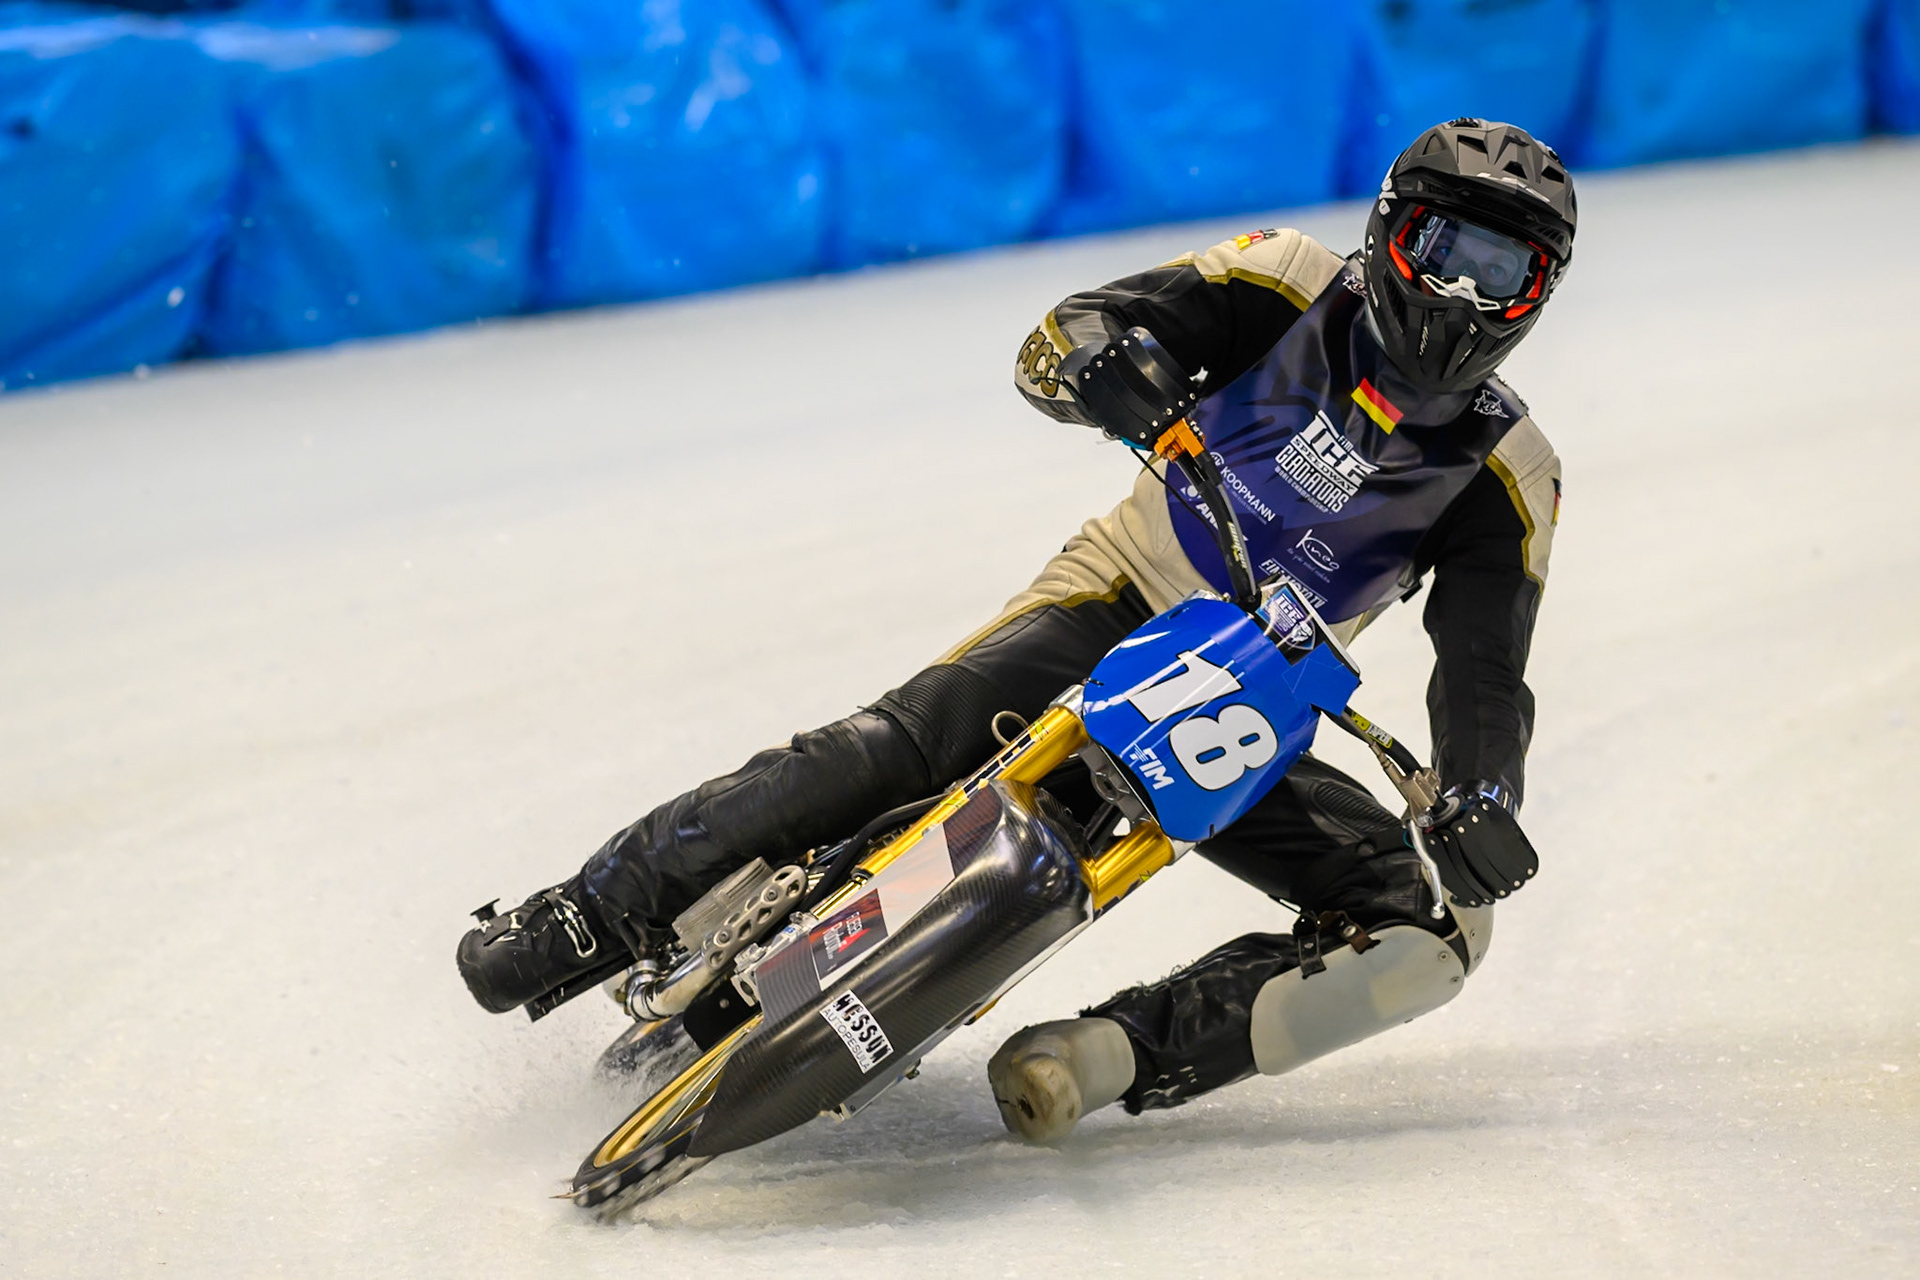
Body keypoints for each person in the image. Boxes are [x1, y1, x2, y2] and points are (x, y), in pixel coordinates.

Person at [456, 118, 1574, 1142]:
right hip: (1124, 592)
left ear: (1540, 297)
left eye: (1502, 275)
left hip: (1246, 705)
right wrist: (1109, 363)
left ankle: (1103, 1056)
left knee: (1431, 927)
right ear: (1389, 231)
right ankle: (591, 909)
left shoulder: (1511, 470)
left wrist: (1485, 792)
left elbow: (1484, 670)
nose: (1464, 299)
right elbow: (1065, 334)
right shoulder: (1285, 278)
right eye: (1447, 252)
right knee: (909, 742)